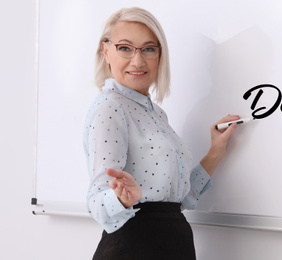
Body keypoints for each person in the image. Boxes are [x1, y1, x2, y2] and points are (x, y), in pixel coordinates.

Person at [83, 7, 240, 260]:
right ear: (106, 51)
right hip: (135, 246)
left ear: (159, 55)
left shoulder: (157, 114)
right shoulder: (110, 107)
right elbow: (96, 202)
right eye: (125, 48)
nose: (138, 61)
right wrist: (122, 200)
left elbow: (181, 200)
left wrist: (215, 152)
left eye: (148, 49)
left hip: (173, 243)